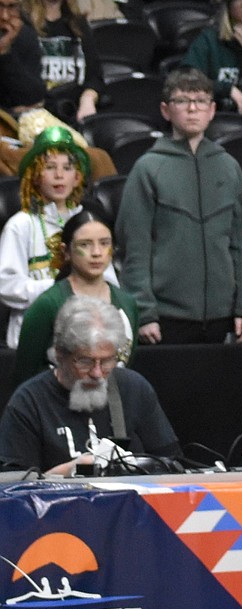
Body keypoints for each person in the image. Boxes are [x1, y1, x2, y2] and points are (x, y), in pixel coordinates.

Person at [116, 67, 242, 346]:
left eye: (201, 101)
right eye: (182, 101)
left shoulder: (228, 167)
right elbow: (135, 247)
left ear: (212, 109)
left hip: (223, 316)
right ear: (166, 111)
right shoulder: (148, 168)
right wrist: (144, 312)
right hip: (166, 318)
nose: (192, 109)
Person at [0, 297, 179, 476]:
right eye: (85, 361)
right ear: (59, 354)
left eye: (108, 361)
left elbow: (174, 466)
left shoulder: (133, 389)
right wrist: (69, 471)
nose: (97, 373)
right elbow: (12, 487)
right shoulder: (29, 402)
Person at [13, 204, 137, 387]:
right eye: (85, 245)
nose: (96, 253)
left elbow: (125, 369)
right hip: (56, 407)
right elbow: (24, 377)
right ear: (66, 251)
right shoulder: (47, 305)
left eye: (104, 243)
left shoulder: (127, 304)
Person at [0, 122, 91, 348]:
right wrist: (60, 286)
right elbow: (6, 285)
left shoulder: (89, 222)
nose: (59, 175)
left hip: (82, 339)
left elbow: (108, 283)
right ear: (35, 175)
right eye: (50, 167)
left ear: (77, 177)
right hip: (31, 339)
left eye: (67, 168)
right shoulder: (20, 225)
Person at [22, 0, 102, 122]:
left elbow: (95, 77)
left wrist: (87, 100)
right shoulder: (23, 24)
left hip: (74, 114)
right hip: (33, 116)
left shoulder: (79, 25)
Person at [0, 0, 46, 112]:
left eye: (12, 7)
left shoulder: (24, 35)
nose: (5, 16)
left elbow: (33, 96)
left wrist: (4, 52)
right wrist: (10, 112)